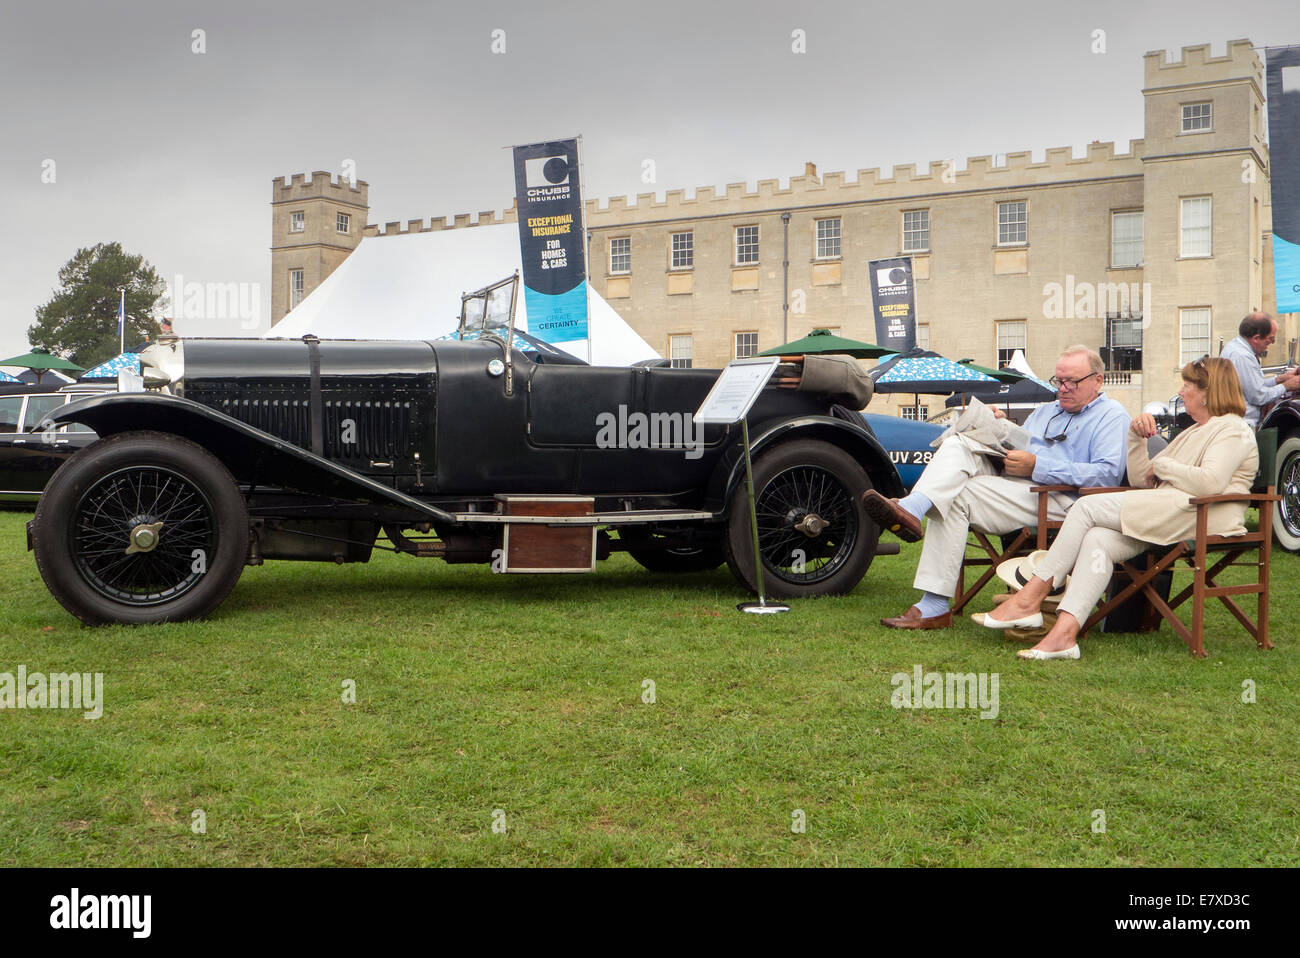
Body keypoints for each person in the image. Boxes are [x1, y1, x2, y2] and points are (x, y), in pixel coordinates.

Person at [975, 357, 1258, 660]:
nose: (1181, 390)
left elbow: (1210, 483)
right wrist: (1135, 439)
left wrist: (1164, 464)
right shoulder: (1194, 431)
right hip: (1171, 512)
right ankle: (1064, 636)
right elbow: (1142, 480)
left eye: (1187, 385)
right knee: (1098, 540)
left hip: (1204, 516)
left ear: (1207, 392)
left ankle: (1029, 598)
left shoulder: (1233, 429)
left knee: (1085, 508)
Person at [865, 346, 1130, 629]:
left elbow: (1107, 476)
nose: (1063, 389)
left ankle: (934, 602)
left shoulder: (1112, 416)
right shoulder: (1046, 412)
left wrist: (1036, 466)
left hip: (1063, 501)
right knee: (959, 443)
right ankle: (911, 512)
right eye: (1058, 381)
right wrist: (997, 430)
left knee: (955, 495)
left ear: (1098, 380)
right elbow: (1023, 443)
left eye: (1071, 382)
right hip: (1020, 487)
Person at [1221, 312, 1300, 428]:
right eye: (1270, 339)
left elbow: (1252, 385)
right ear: (1256, 338)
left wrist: (1280, 379)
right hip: (1242, 425)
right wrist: (1286, 386)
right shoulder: (1243, 356)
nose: (1271, 343)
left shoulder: (1235, 348)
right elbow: (1258, 396)